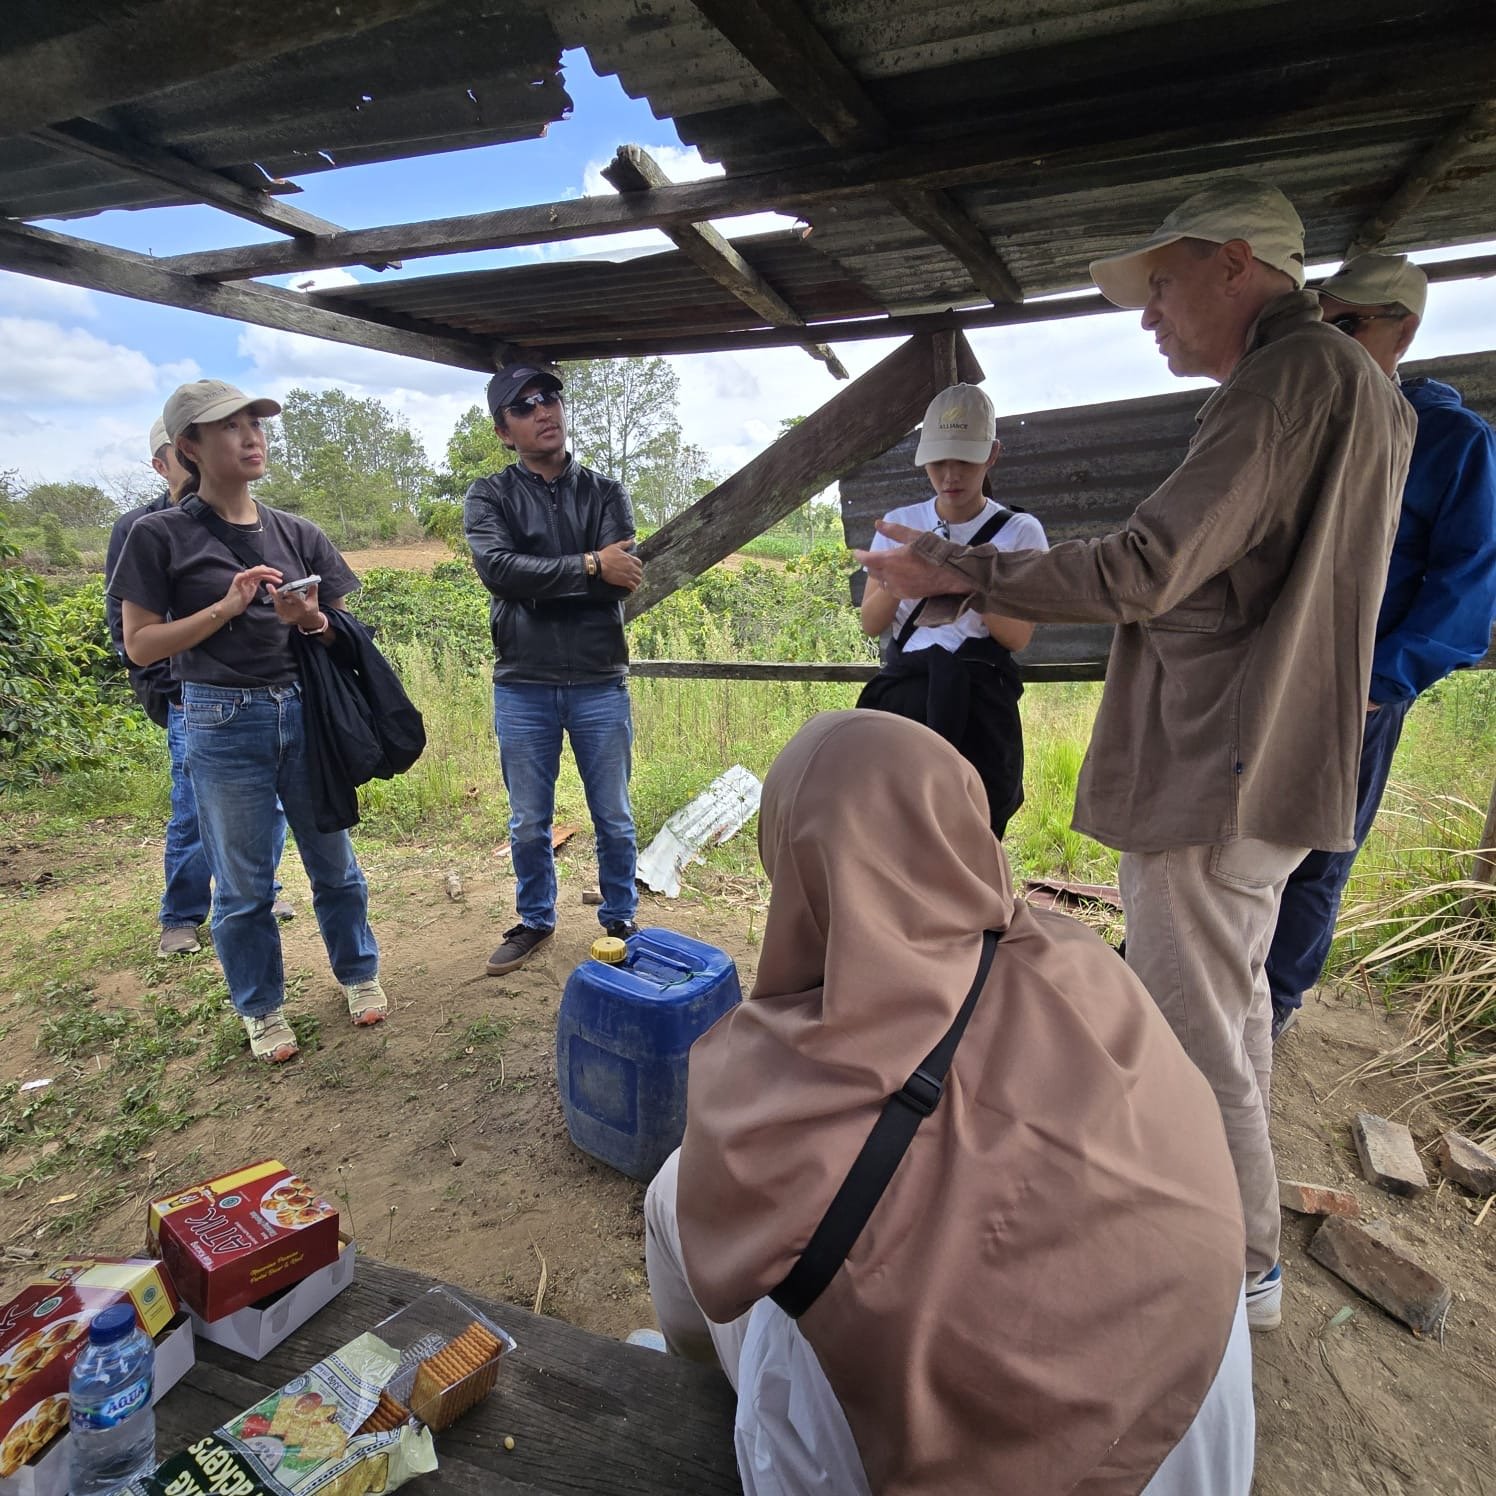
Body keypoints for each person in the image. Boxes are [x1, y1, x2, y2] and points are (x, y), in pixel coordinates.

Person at [858, 178, 1415, 1329]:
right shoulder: (1361, 387)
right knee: (1234, 1008)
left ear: (1234, 263)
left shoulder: (1286, 377)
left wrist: (962, 570)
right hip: (1273, 754)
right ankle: (1238, 1236)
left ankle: (1232, 1263)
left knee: (1188, 1026)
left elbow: (1142, 567)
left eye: (1159, 284)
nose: (1146, 314)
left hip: (1217, 756)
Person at [644, 711, 1253, 1496]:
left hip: (972, 1466)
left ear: (798, 870)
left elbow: (733, 1240)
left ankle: (677, 1382)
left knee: (673, 1198)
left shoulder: (778, 1096)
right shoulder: (1084, 964)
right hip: (1203, 1425)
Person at [110, 380, 387, 1064]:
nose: (251, 436)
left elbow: (345, 632)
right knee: (242, 886)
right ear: (188, 449)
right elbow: (141, 645)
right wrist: (225, 611)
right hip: (217, 719)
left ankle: (358, 973)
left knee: (337, 866)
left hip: (302, 710)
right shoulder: (155, 536)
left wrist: (313, 620)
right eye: (228, 427)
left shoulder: (298, 532)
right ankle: (261, 1009)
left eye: (254, 423)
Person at [1266, 253, 1496, 1039]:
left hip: (1356, 685)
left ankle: (1273, 1008)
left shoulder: (1450, 440)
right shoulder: (1308, 416)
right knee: (1225, 825)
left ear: (1405, 328)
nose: (1331, 336)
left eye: (1350, 323)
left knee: (1317, 852)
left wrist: (1375, 684)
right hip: (1267, 670)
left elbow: (1466, 587)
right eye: (1324, 320)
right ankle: (1187, 981)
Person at [463, 363, 643, 976]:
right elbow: (499, 572)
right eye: (525, 405)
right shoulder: (489, 495)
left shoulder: (607, 492)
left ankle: (621, 917)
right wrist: (591, 566)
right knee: (529, 819)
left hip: (599, 679)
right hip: (523, 684)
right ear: (503, 431)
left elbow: (623, 581)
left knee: (613, 814)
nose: (545, 410)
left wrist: (544, 578)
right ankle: (536, 920)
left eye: (551, 398)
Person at [105, 418, 293, 958]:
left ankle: (264, 890)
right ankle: (182, 915)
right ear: (167, 462)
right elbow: (127, 624)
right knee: (193, 808)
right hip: (189, 694)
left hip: (258, 698)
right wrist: (168, 688)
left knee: (266, 807)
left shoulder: (253, 522)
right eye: (178, 456)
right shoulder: (142, 528)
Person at [858, 383, 1048, 837]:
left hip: (980, 701)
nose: (950, 474)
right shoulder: (901, 523)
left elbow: (1017, 638)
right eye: (938, 462)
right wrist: (901, 573)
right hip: (907, 694)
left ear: (993, 454)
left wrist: (958, 574)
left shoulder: (1019, 531)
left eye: (964, 459)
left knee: (974, 831)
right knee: (894, 830)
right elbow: (872, 623)